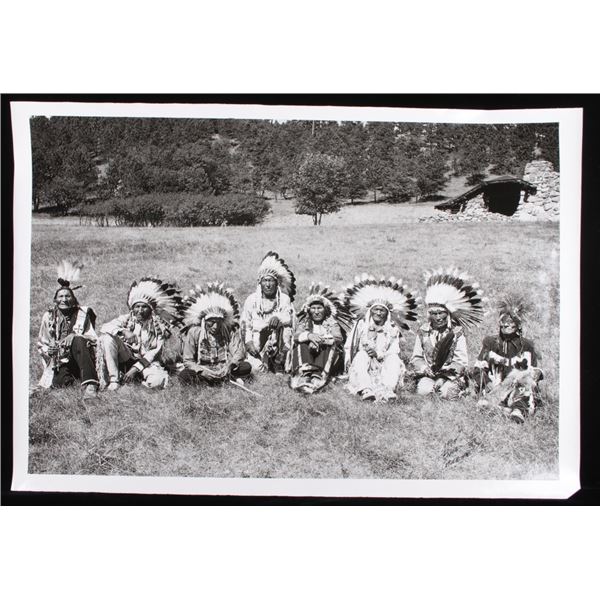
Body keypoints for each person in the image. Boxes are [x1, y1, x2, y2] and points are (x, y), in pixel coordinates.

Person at [411, 268, 485, 400]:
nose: (438, 317)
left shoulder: (457, 333)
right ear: (429, 315)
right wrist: (424, 368)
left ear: (448, 314)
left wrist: (443, 377)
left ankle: (463, 390)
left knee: (447, 393)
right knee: (424, 392)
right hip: (428, 375)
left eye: (441, 313)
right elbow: (416, 357)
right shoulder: (423, 331)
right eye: (434, 314)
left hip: (451, 375)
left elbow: (461, 362)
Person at [98, 278, 183, 390]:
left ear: (151, 309)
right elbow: (105, 327)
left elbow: (153, 353)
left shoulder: (158, 327)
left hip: (147, 362)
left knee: (158, 382)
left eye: (144, 307)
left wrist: (135, 369)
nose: (140, 310)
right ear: (132, 308)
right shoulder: (127, 319)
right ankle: (114, 379)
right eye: (137, 306)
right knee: (108, 337)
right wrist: (124, 331)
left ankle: (137, 378)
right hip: (126, 356)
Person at [344, 274, 419, 403]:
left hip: (384, 362)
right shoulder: (360, 326)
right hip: (364, 362)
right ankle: (365, 388)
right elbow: (349, 346)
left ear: (387, 313)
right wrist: (361, 355)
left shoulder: (392, 329)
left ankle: (388, 389)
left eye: (382, 311)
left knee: (394, 358)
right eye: (376, 310)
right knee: (361, 355)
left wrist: (378, 354)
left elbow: (394, 350)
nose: (378, 313)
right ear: (370, 311)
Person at [471, 294, 543, 423]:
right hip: (494, 388)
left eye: (511, 324)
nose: (506, 327)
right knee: (485, 403)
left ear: (518, 325)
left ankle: (518, 410)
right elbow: (478, 369)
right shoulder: (490, 343)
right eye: (503, 324)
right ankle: (502, 408)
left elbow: (533, 373)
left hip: (518, 390)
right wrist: (487, 384)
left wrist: (533, 376)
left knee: (525, 376)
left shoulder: (527, 346)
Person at [37, 260, 99, 398]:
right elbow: (42, 343)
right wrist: (50, 350)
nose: (64, 299)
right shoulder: (48, 316)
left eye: (67, 296)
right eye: (61, 296)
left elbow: (93, 338)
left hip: (83, 357)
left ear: (74, 299)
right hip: (61, 360)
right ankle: (73, 378)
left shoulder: (82, 313)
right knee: (59, 384)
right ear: (55, 300)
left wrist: (75, 336)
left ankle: (90, 384)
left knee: (78, 339)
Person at [178, 282, 252, 386]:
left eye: (218, 322)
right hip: (203, 369)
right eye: (211, 322)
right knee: (184, 375)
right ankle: (212, 381)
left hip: (224, 368)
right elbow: (188, 360)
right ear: (204, 321)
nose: (215, 326)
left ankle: (218, 380)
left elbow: (238, 353)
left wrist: (229, 367)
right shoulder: (194, 332)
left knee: (246, 366)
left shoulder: (228, 331)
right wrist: (202, 372)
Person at [289, 283, 352, 394]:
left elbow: (338, 338)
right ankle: (303, 374)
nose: (316, 311)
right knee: (300, 343)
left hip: (326, 357)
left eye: (319, 308)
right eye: (313, 308)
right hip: (308, 355)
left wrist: (320, 340)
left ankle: (318, 377)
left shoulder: (332, 323)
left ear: (325, 309)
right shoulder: (304, 323)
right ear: (309, 310)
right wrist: (309, 336)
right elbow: (296, 336)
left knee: (329, 345)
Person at [241, 251, 296, 373]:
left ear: (277, 283)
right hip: (258, 341)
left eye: (271, 281)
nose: (268, 284)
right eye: (265, 281)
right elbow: (246, 325)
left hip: (280, 341)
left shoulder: (284, 300)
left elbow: (290, 320)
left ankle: (280, 361)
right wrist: (248, 342)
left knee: (286, 328)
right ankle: (263, 360)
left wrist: (278, 318)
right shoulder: (252, 300)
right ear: (260, 282)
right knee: (255, 369)